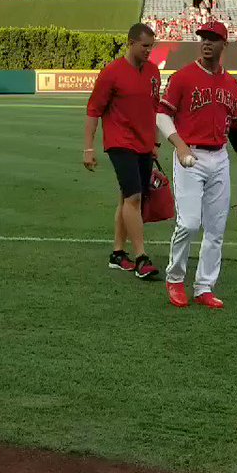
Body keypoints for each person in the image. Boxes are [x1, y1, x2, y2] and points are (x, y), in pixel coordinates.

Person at [156, 21, 237, 309]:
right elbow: (162, 116)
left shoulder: (231, 84)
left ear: (224, 44)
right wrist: (179, 145)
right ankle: (175, 279)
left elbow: (235, 129)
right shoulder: (183, 78)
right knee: (189, 223)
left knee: (216, 229)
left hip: (220, 158)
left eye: (213, 38)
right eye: (203, 37)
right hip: (191, 158)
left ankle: (204, 286)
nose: (206, 42)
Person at [83, 23, 162, 281]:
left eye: (151, 46)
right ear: (130, 43)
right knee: (134, 198)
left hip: (144, 143)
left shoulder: (152, 73)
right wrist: (88, 148)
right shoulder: (111, 73)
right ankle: (141, 257)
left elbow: (154, 109)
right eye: (144, 46)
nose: (149, 51)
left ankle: (118, 254)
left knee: (126, 198)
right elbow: (94, 110)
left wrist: (155, 144)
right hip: (120, 142)